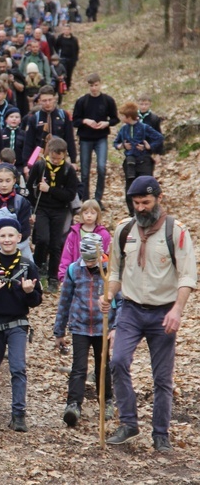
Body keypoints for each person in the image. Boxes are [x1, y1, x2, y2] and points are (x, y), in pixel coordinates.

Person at [102, 176, 196, 451]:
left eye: (146, 202)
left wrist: (177, 310)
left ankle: (160, 433)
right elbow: (116, 271)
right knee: (117, 361)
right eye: (136, 203)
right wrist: (108, 294)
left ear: (158, 199)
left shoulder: (176, 231)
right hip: (130, 309)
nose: (141, 208)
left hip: (163, 311)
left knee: (162, 377)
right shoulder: (124, 230)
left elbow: (187, 276)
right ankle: (129, 423)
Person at [0, 218, 43, 433]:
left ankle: (18, 414)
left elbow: (36, 300)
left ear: (19, 238)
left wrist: (30, 292)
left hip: (18, 324)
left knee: (18, 367)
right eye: (2, 236)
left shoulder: (28, 267)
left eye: (11, 235)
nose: (7, 239)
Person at [54, 232, 115, 427]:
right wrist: (59, 331)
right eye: (86, 259)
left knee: (102, 366)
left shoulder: (110, 272)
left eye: (92, 260)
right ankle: (73, 405)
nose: (89, 263)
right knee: (79, 367)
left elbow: (120, 302)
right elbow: (64, 302)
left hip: (102, 327)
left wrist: (116, 327)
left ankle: (106, 401)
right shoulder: (74, 270)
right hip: (80, 326)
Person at [26, 137, 78, 293]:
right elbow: (30, 188)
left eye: (59, 158)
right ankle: (38, 265)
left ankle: (53, 277)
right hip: (42, 208)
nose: (55, 161)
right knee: (42, 239)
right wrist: (32, 208)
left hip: (59, 210)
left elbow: (70, 194)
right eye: (53, 158)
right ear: (49, 153)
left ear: (64, 156)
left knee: (56, 244)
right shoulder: (40, 166)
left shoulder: (68, 170)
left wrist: (50, 190)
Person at [71, 73, 119, 204]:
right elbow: (75, 121)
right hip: (85, 138)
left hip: (101, 137)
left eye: (96, 85)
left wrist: (107, 123)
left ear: (100, 84)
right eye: (91, 86)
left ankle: (98, 199)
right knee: (85, 171)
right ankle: (86, 199)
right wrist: (85, 121)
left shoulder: (107, 100)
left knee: (101, 167)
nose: (94, 88)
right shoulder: (82, 101)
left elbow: (115, 118)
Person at [113, 102, 164, 216]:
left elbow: (159, 137)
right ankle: (133, 214)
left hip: (144, 161)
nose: (121, 118)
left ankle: (150, 211)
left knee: (147, 187)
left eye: (122, 116)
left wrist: (149, 146)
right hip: (130, 163)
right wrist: (121, 146)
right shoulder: (123, 129)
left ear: (128, 116)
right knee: (130, 189)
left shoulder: (144, 128)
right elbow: (116, 143)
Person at [58, 199, 111, 281]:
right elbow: (66, 256)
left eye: (92, 213)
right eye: (86, 213)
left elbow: (107, 256)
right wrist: (63, 275)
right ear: (81, 214)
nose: (89, 216)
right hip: (76, 275)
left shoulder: (104, 234)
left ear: (98, 215)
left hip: (97, 276)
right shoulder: (73, 234)